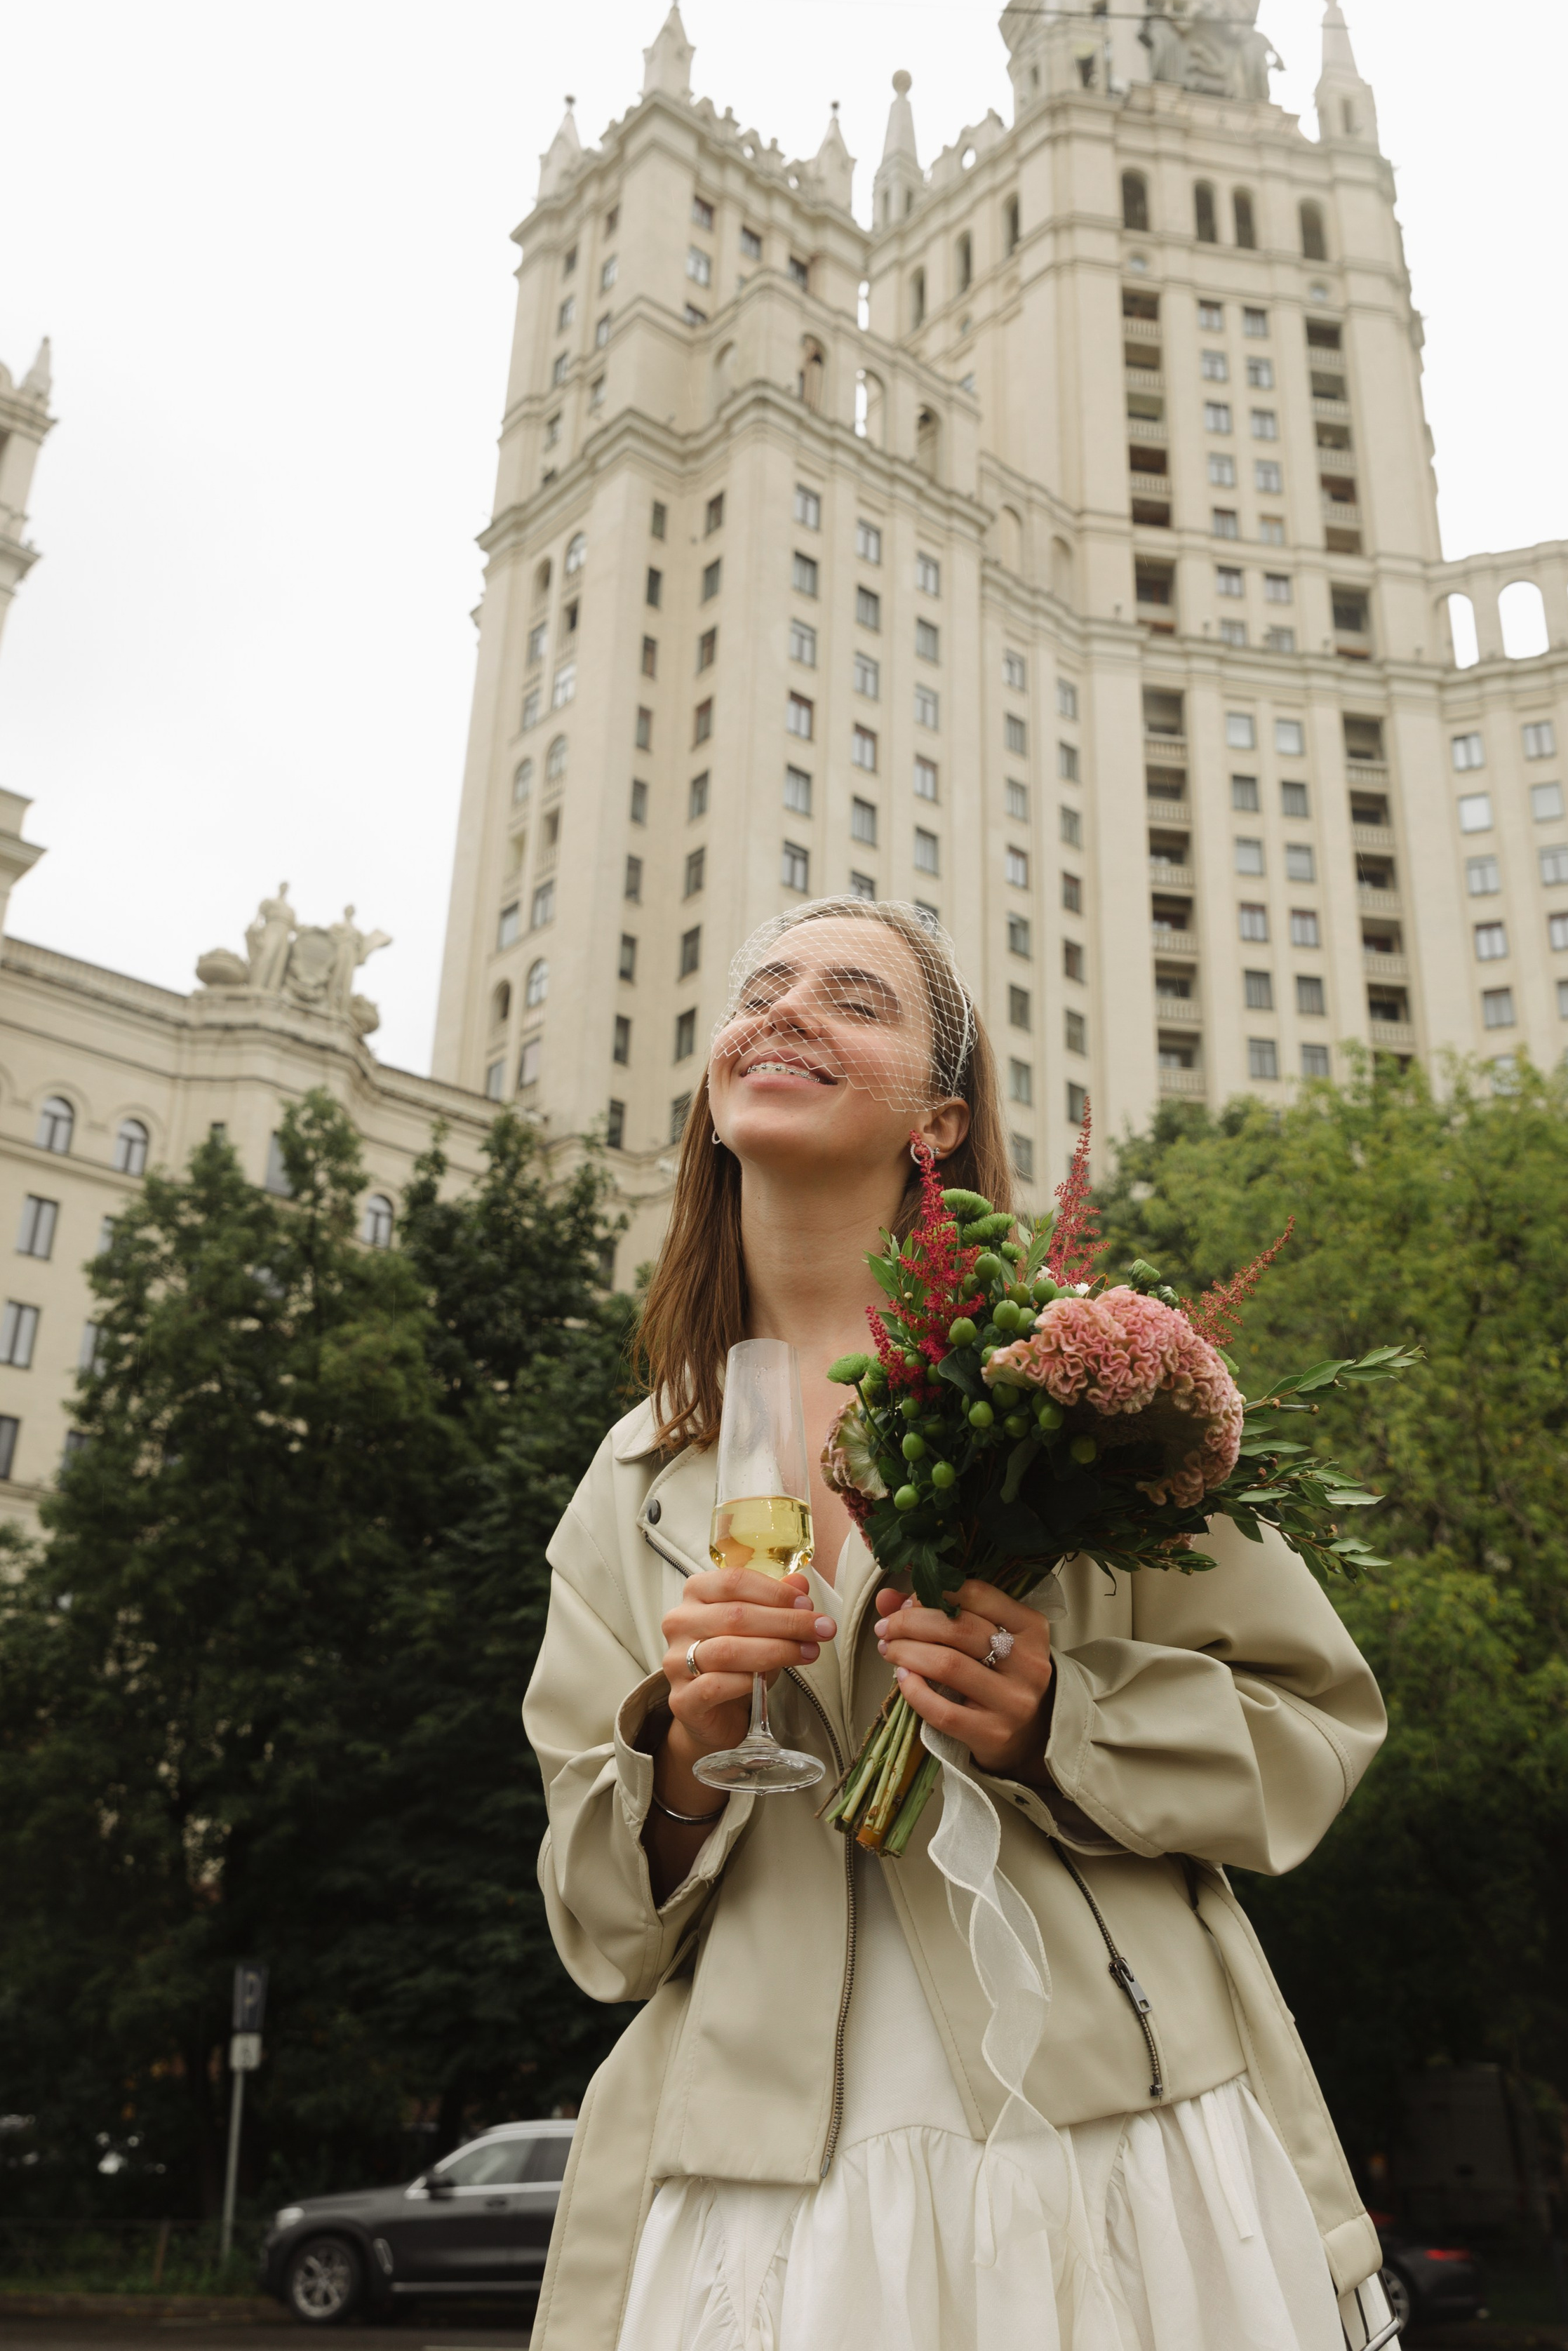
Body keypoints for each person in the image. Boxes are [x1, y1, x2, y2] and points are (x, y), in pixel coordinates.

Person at [523, 899, 1393, 2351]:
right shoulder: (628, 1483)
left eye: (851, 998)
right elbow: (600, 1932)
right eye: (764, 988)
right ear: (715, 1092)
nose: (789, 1006)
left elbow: (1313, 1725)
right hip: (761, 2186)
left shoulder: (1082, 1382)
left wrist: (1065, 1722)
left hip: (1115, 2134)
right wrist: (687, 1743)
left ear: (935, 1120)